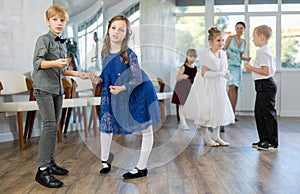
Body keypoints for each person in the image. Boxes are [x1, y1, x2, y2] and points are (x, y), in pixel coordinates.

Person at [89, 15, 161, 179]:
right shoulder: (105, 53)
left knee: (146, 129)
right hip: (116, 94)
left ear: (127, 33)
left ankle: (141, 167)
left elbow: (137, 78)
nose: (116, 32)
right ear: (108, 29)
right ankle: (105, 160)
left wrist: (122, 87)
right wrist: (97, 80)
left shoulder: (130, 54)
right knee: (106, 121)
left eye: (121, 29)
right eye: (114, 28)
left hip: (139, 92)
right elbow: (106, 77)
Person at [32, 5, 89, 188]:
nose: (58, 23)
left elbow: (62, 69)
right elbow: (38, 63)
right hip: (44, 89)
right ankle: (42, 170)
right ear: (48, 22)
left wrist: (77, 74)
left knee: (53, 126)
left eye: (62, 20)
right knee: (49, 125)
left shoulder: (60, 43)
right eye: (54, 20)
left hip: (57, 90)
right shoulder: (44, 40)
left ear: (66, 23)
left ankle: (50, 162)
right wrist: (55, 62)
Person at [183, 27, 235, 147]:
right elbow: (204, 74)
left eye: (222, 40)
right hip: (207, 87)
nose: (221, 43)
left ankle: (216, 136)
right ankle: (207, 138)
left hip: (218, 86)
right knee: (206, 111)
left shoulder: (222, 53)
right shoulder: (206, 55)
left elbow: (223, 69)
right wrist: (220, 74)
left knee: (219, 110)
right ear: (211, 41)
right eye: (218, 41)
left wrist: (226, 75)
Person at [245, 25, 278, 150]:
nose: (253, 40)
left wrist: (250, 68)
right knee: (259, 113)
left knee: (267, 113)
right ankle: (263, 139)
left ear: (262, 37)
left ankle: (272, 142)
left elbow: (265, 71)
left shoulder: (264, 52)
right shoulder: (261, 51)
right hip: (262, 86)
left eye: (254, 37)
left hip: (266, 85)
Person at [224, 22, 251, 122]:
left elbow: (240, 56)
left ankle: (233, 113)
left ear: (244, 29)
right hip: (230, 66)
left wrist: (245, 58)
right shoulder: (230, 38)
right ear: (235, 29)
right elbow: (222, 49)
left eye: (241, 28)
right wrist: (225, 54)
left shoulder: (244, 42)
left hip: (238, 67)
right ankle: (228, 113)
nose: (239, 30)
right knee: (231, 87)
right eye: (237, 28)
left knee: (235, 89)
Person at [171, 49, 198, 130]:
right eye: (191, 56)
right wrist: (182, 76)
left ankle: (198, 122)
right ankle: (183, 123)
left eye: (194, 57)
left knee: (193, 105)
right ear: (187, 56)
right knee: (181, 106)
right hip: (182, 87)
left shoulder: (195, 68)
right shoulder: (183, 67)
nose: (192, 59)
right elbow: (177, 78)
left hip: (190, 88)